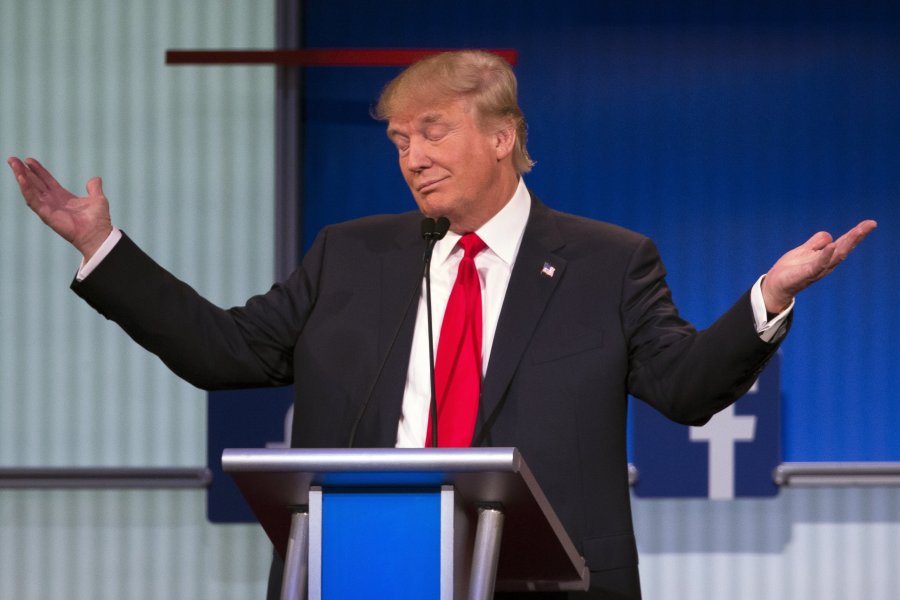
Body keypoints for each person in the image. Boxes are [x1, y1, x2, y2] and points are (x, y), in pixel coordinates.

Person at [7, 50, 875, 599]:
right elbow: (222, 351)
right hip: (359, 573)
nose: (411, 156)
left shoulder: (607, 260)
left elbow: (685, 390)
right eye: (396, 140)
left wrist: (768, 294)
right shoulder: (352, 255)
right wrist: (105, 249)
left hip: (546, 584)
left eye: (431, 131)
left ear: (502, 138)